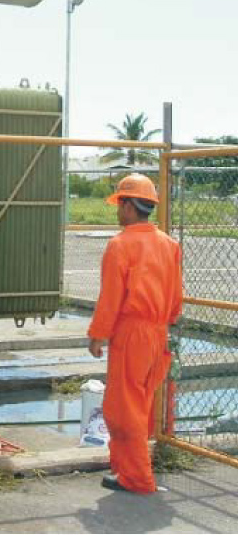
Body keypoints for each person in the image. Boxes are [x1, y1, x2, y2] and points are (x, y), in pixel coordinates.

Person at [87, 173, 182, 493]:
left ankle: (137, 478)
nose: (117, 210)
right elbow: (175, 299)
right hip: (158, 334)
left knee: (122, 409)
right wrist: (162, 325)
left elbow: (111, 298)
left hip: (133, 334)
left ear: (128, 206)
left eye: (119, 203)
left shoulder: (120, 245)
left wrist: (98, 334)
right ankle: (125, 469)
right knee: (140, 406)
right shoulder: (169, 245)